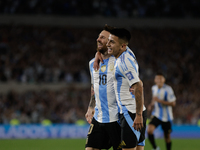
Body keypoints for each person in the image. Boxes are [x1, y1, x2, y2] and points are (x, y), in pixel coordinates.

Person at [106, 27, 147, 150]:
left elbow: (139, 86)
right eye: (108, 41)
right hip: (136, 112)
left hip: (130, 113)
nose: (108, 44)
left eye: (111, 42)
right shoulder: (127, 52)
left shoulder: (123, 63)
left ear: (122, 46)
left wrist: (138, 115)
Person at [85, 25, 122, 150]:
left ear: (111, 42)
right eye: (98, 37)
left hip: (116, 119)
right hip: (98, 118)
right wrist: (90, 107)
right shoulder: (92, 63)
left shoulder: (118, 61)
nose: (98, 39)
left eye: (102, 37)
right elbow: (93, 87)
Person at [147, 72, 176, 150]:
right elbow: (154, 99)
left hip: (167, 117)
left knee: (167, 137)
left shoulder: (168, 89)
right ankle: (155, 148)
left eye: (160, 78)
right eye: (157, 78)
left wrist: (160, 101)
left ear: (164, 80)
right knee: (149, 130)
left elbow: (173, 104)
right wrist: (151, 104)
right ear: (155, 80)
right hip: (156, 114)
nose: (159, 80)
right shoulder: (154, 88)